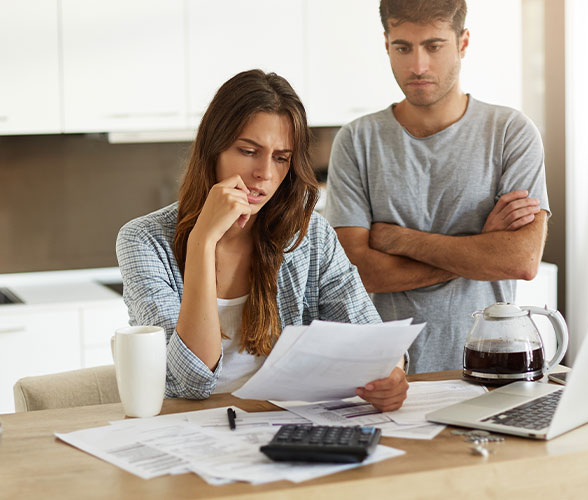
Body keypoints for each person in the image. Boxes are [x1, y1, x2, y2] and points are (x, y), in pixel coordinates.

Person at [116, 70, 408, 411]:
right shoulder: (144, 241)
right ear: (213, 148)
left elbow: (371, 340)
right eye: (249, 151)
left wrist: (391, 375)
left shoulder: (311, 235)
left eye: (281, 158)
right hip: (189, 427)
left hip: (284, 426)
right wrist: (202, 242)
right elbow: (190, 381)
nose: (265, 174)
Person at [324, 0, 550, 374]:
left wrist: (400, 240)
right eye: (402, 47)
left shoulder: (511, 132)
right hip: (387, 375)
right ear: (386, 45)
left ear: (462, 43)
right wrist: (479, 248)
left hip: (490, 365)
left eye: (433, 46)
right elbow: (359, 272)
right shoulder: (357, 140)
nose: (418, 66)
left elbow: (520, 261)